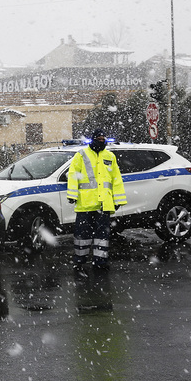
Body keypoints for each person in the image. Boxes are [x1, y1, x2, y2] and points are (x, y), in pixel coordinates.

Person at [66, 129, 127, 310]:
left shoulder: (109, 156)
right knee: (82, 235)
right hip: (86, 203)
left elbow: (116, 179)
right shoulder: (81, 154)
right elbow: (72, 174)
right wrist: (72, 194)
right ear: (92, 140)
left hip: (103, 204)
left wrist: (118, 200)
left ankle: (101, 261)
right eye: (99, 139)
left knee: (102, 235)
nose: (101, 141)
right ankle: (80, 261)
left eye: (103, 139)